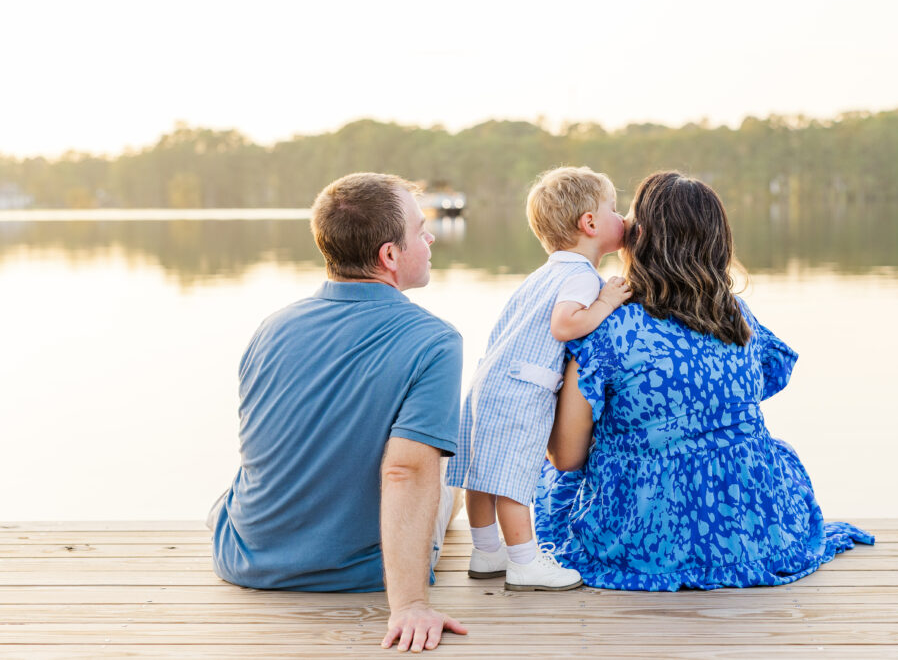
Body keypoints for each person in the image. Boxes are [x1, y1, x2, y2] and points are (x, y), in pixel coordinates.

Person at [535, 171, 874, 591]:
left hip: (645, 536)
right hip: (750, 529)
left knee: (549, 480)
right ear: (719, 243)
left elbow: (566, 457)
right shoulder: (740, 320)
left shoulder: (607, 329)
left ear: (637, 238)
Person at [208, 173, 467, 652]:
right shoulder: (435, 341)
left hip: (244, 558)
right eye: (419, 228)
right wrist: (409, 604)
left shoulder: (273, 326)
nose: (429, 238)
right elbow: (405, 472)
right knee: (447, 474)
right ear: (390, 256)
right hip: (359, 572)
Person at [446, 166, 631, 591]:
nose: (622, 218)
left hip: (488, 383)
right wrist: (605, 301)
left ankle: (486, 552)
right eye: (614, 209)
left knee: (482, 474)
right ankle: (525, 563)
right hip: (523, 388)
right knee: (512, 478)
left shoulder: (544, 273)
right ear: (589, 223)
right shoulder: (583, 276)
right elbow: (566, 324)